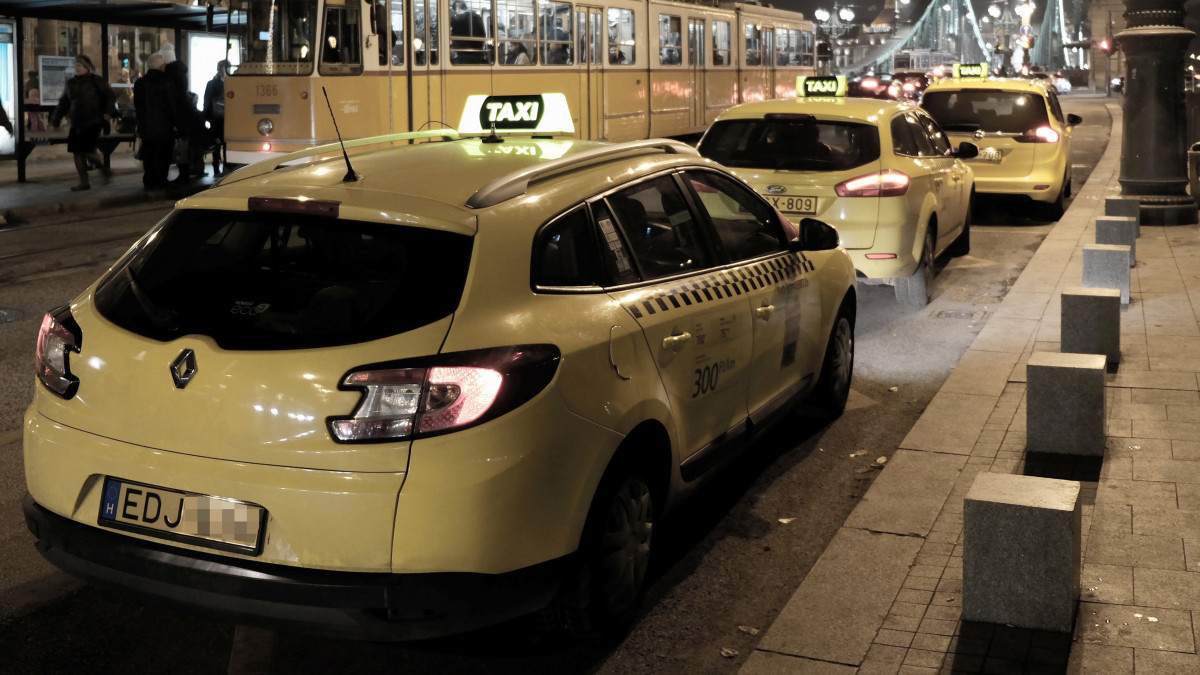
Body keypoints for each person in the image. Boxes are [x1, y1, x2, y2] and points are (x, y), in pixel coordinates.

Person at [50, 54, 116, 192]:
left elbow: (109, 96)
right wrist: (55, 120)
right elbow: (64, 102)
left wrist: (108, 112)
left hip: (93, 120)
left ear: (87, 67)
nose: (77, 68)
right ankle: (84, 181)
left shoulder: (96, 81)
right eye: (76, 66)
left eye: (79, 66)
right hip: (76, 121)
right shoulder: (71, 83)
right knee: (77, 152)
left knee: (87, 150)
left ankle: (104, 169)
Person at [134, 52, 182, 190]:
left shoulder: (140, 83)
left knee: (149, 155)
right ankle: (161, 180)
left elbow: (138, 105)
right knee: (163, 155)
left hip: (146, 127)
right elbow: (173, 104)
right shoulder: (167, 81)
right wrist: (176, 124)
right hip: (164, 127)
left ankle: (149, 180)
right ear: (162, 66)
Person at [165, 59, 206, 182]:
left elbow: (175, 99)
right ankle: (189, 171)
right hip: (189, 118)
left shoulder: (173, 78)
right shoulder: (182, 77)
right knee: (185, 148)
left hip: (182, 118)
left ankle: (183, 175)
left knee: (180, 149)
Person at [203, 60, 229, 175]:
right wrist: (207, 117)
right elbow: (207, 102)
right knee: (217, 143)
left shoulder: (231, 82)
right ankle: (217, 166)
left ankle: (226, 166)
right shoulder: (212, 83)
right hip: (217, 118)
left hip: (226, 119)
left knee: (225, 143)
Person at [450, 0, 488, 64]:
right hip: (479, 53)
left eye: (456, 13)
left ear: (458, 9)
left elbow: (452, 21)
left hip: (465, 55)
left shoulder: (464, 17)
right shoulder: (478, 17)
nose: (456, 15)